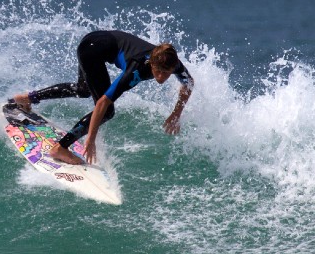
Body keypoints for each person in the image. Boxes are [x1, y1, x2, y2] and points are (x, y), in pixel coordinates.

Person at [11, 29, 193, 166]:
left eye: (166, 73)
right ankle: (60, 148)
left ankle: (28, 98)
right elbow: (103, 103)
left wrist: (177, 113)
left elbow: (188, 83)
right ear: (151, 63)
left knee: (83, 89)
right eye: (158, 71)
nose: (161, 77)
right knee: (108, 111)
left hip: (93, 40)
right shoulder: (137, 69)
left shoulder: (173, 62)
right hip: (91, 50)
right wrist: (90, 139)